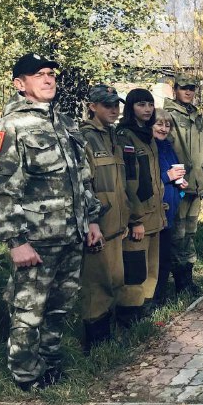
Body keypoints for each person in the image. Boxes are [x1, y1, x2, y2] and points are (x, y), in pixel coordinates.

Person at [0, 53, 102, 390]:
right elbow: (0, 189)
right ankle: (26, 376)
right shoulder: (8, 128)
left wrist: (92, 221)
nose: (49, 79)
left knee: (58, 308)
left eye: (51, 73)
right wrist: (16, 242)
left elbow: (82, 178)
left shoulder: (65, 123)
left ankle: (50, 366)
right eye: (39, 74)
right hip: (36, 240)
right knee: (28, 311)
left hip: (71, 234)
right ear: (20, 84)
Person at [79, 84, 129, 354]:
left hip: (116, 225)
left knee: (114, 281)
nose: (114, 110)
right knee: (96, 285)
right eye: (107, 105)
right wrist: (91, 220)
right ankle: (95, 344)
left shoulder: (112, 137)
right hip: (99, 224)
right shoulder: (84, 138)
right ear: (92, 107)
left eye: (116, 105)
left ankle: (109, 335)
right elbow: (82, 183)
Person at [115, 89, 166, 325]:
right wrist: (135, 219)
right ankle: (129, 317)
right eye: (141, 104)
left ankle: (144, 311)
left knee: (151, 268)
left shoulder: (148, 135)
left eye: (150, 104)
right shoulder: (125, 136)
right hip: (139, 218)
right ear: (131, 108)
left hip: (154, 214)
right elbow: (126, 181)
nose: (147, 109)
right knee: (135, 270)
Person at [164, 74, 203, 295]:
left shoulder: (196, 115)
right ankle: (179, 282)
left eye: (191, 88)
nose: (188, 92)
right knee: (177, 233)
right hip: (179, 185)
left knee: (190, 232)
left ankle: (188, 279)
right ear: (175, 90)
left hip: (196, 185)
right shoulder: (168, 115)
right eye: (184, 88)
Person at [152, 108, 188, 306]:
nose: (163, 128)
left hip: (171, 209)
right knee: (156, 259)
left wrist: (181, 185)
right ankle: (154, 300)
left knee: (165, 257)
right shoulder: (150, 148)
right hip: (156, 210)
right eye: (159, 124)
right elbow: (150, 180)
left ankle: (162, 298)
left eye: (167, 125)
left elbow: (175, 176)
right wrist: (168, 177)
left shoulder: (168, 146)